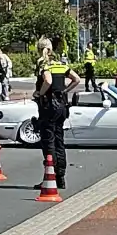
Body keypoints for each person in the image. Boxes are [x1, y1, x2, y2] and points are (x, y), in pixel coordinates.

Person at [33, 37, 81, 190]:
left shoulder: (43, 63)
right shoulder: (60, 64)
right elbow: (77, 79)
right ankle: (61, 177)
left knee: (48, 142)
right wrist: (64, 91)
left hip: (49, 107)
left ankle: (50, 177)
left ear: (39, 49)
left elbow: (47, 80)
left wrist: (40, 94)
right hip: (62, 106)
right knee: (60, 140)